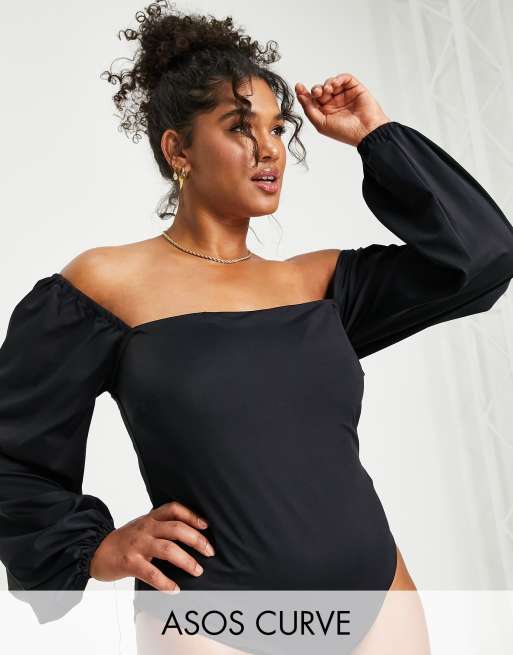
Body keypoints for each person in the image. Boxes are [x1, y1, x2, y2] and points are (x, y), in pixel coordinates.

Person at [1, 2, 512, 653]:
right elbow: (13, 446)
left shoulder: (319, 285)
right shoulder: (105, 285)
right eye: (240, 127)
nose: (269, 148)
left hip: (379, 601)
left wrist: (375, 135)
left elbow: (482, 256)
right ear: (177, 149)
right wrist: (96, 549)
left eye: (278, 127)